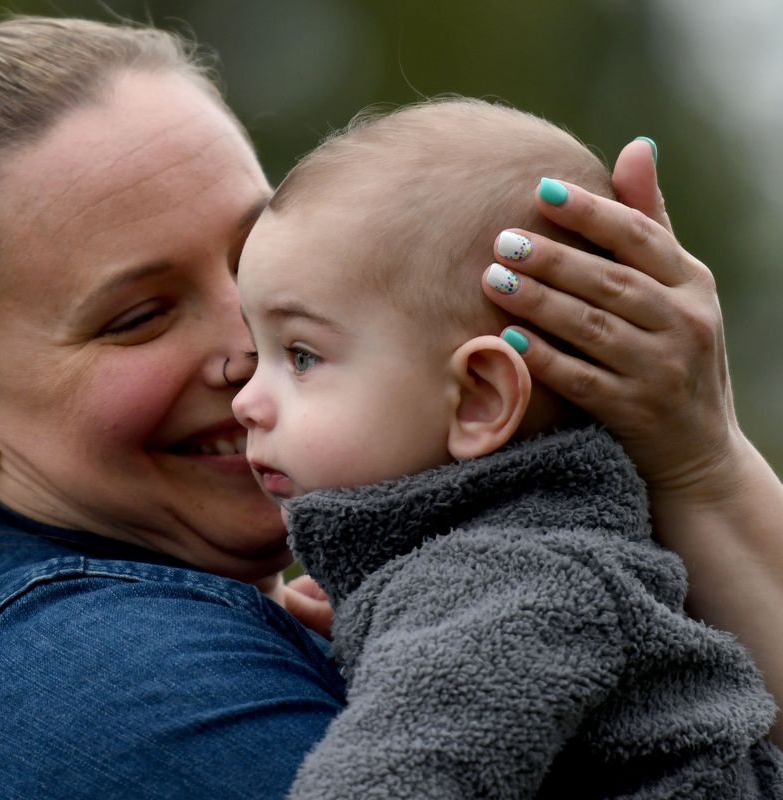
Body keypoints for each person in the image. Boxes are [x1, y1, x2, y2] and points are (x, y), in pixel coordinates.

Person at [0, 9, 783, 800]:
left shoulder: (393, 588)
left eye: (253, 255)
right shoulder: (112, 693)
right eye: (137, 315)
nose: (245, 344)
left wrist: (699, 457)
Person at [232, 98, 783, 798]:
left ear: (481, 399)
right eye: (257, 351)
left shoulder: (513, 585)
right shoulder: (516, 573)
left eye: (302, 356)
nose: (244, 398)